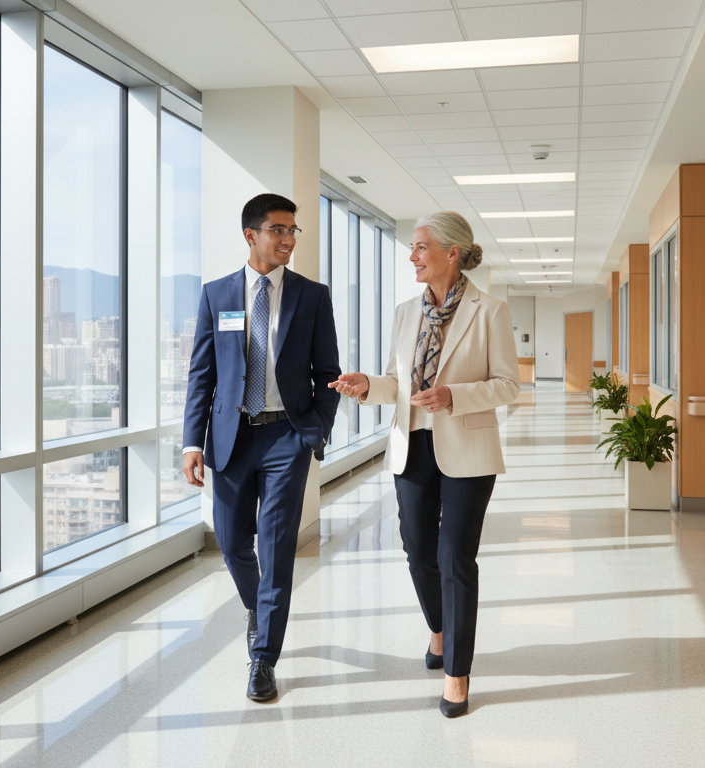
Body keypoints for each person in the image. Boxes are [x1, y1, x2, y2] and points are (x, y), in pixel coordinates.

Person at [330, 211, 519, 718]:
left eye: (420, 247)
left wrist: (454, 396)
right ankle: (439, 629)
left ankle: (457, 673)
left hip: (468, 451)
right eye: (412, 248)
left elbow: (508, 384)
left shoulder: (490, 311)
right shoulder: (404, 312)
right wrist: (370, 386)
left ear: (450, 253)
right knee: (418, 551)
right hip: (411, 445)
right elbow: (398, 382)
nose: (412, 256)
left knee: (456, 556)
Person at [182, 193, 341, 702]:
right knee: (231, 543)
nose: (289, 239)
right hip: (230, 438)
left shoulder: (311, 296)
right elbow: (202, 375)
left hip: (285, 438)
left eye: (294, 231)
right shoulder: (216, 295)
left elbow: (328, 374)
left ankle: (263, 659)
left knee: (275, 550)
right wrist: (191, 442)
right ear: (251, 235)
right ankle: (261, 609)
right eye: (279, 230)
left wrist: (312, 431)